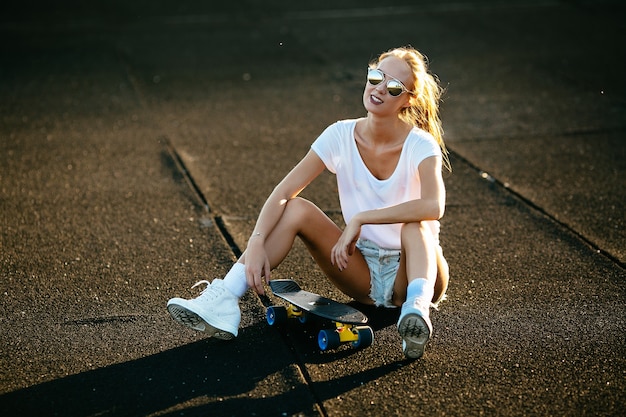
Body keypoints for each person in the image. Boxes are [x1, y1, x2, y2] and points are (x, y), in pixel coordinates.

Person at [167, 46, 451, 360]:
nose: (380, 89)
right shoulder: (340, 135)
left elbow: (434, 206)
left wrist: (361, 219)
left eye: (393, 87)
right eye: (376, 77)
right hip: (363, 272)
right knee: (297, 208)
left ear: (408, 99)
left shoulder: (420, 145)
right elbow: (283, 192)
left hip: (415, 268)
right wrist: (257, 240)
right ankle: (224, 298)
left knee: (416, 225)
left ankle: (417, 310)